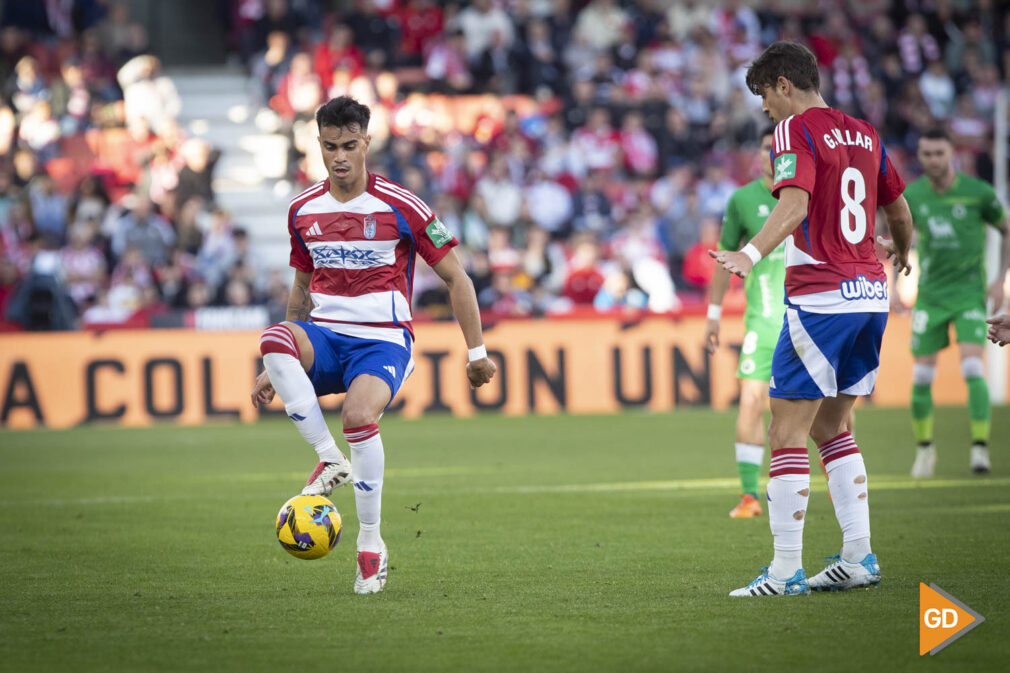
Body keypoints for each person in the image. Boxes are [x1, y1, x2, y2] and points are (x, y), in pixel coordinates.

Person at [250, 97, 496, 595]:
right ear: (317, 145)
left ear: (366, 142)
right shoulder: (303, 210)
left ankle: (370, 545)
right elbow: (300, 290)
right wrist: (279, 365)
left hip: (382, 341)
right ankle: (329, 458)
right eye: (328, 146)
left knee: (359, 417)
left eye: (348, 145)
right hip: (324, 337)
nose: (339, 156)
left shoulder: (402, 205)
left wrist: (476, 354)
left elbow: (457, 278)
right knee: (272, 337)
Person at [711, 42, 914, 596]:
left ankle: (783, 572)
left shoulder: (794, 130)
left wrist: (748, 256)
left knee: (785, 432)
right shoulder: (867, 132)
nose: (764, 111)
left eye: (764, 96)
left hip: (821, 298)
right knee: (833, 426)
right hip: (870, 295)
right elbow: (898, 210)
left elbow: (795, 205)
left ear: (783, 84)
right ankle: (858, 557)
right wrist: (902, 254)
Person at [899, 128, 1008, 477]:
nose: (932, 160)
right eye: (926, 153)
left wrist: (998, 280)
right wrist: (896, 263)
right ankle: (924, 451)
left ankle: (979, 450)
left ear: (952, 154)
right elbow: (899, 233)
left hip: (969, 294)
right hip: (930, 295)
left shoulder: (978, 193)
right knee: (921, 375)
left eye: (938, 153)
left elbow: (1006, 229)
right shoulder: (913, 195)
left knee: (973, 367)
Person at [706, 127, 783, 518]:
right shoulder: (743, 200)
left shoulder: (809, 194)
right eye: (767, 147)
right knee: (751, 401)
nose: (773, 153)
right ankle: (750, 495)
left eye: (779, 146)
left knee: (833, 413)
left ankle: (841, 488)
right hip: (764, 323)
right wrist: (714, 314)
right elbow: (725, 257)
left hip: (812, 320)